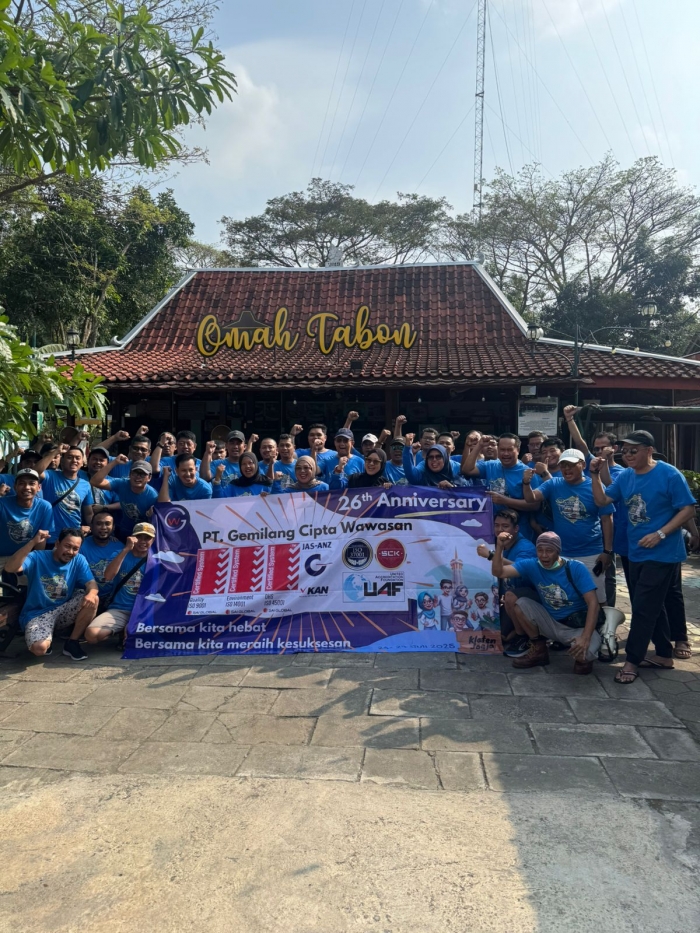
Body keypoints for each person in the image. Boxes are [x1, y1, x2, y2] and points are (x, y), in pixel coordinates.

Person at [590, 430, 696, 683]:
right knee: (649, 604)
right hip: (636, 552)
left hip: (663, 553)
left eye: (633, 450)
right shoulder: (626, 476)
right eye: (625, 451)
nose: (628, 455)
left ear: (649, 450)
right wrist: (594, 475)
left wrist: (661, 533)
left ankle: (632, 662)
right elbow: (603, 500)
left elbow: (688, 509)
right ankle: (663, 654)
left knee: (644, 608)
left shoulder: (669, 474)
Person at [492, 531, 603, 674]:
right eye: (540, 550)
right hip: (550, 621)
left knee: (584, 657)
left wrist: (585, 638)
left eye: (549, 551)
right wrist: (499, 547)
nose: (544, 555)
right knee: (522, 604)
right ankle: (539, 650)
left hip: (576, 626)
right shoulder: (533, 564)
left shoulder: (576, 568)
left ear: (558, 551)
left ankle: (585, 651)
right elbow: (499, 572)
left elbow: (593, 603)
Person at [522, 448, 614, 604]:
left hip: (591, 552)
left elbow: (607, 519)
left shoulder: (595, 486)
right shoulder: (553, 484)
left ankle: (601, 621)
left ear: (583, 465)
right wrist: (526, 483)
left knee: (597, 599)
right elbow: (531, 498)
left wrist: (607, 551)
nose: (566, 469)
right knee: (569, 598)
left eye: (571, 465)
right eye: (563, 465)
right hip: (562, 553)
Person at [5, 527, 98, 660]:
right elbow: (10, 568)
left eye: (75, 548)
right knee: (39, 649)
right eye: (67, 546)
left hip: (64, 609)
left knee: (93, 599)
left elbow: (91, 584)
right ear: (57, 543)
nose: (70, 552)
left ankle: (72, 642)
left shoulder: (79, 560)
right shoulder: (37, 557)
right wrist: (32, 542)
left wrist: (91, 594)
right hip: (38, 613)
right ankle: (46, 638)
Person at [477, 508, 537, 657]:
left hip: (528, 597)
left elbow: (520, 569)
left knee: (511, 597)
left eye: (505, 526)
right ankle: (514, 632)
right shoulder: (498, 543)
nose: (500, 530)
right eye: (497, 525)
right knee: (498, 636)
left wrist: (491, 555)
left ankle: (524, 638)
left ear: (516, 528)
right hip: (507, 599)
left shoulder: (526, 547)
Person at [86, 522, 156, 646]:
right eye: (139, 537)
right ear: (132, 537)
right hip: (120, 608)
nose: (142, 541)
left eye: (147, 538)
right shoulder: (119, 554)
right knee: (91, 635)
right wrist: (126, 549)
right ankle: (120, 630)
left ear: (153, 540)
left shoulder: (157, 560)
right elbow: (108, 576)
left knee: (138, 636)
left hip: (144, 610)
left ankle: (129, 630)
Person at [461, 433, 537, 538]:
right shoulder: (490, 465)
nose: (505, 453)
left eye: (509, 450)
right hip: (492, 531)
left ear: (518, 450)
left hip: (519, 533)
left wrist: (505, 501)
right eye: (502, 449)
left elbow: (534, 505)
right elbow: (467, 470)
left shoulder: (528, 472)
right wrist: (479, 446)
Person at [89, 455, 158, 538]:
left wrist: (150, 516)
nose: (138, 477)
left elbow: (156, 522)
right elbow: (94, 482)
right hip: (124, 530)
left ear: (149, 477)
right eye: (135, 473)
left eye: (142, 474)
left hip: (142, 534)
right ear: (130, 474)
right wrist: (114, 462)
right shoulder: (122, 483)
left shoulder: (152, 496)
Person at [0, 469, 54, 573]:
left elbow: (42, 538)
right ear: (15, 487)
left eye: (32, 483)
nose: (27, 487)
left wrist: (37, 563)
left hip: (25, 557)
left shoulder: (45, 507)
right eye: (22, 483)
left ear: (39, 487)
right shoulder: (2, 504)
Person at [41, 446, 94, 542]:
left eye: (78, 458)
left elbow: (89, 513)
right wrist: (56, 452)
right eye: (70, 457)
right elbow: (36, 471)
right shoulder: (50, 476)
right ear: (62, 461)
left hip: (73, 537)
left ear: (82, 462)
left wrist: (92, 529)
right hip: (49, 536)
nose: (74, 461)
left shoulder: (86, 485)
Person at [80, 511, 123, 606]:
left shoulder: (121, 548)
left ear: (113, 527)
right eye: (99, 524)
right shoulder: (80, 545)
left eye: (107, 524)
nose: (103, 527)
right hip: (86, 596)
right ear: (91, 526)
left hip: (112, 598)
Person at [81, 446, 119, 512]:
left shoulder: (113, 482)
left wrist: (104, 507)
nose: (98, 462)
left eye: (101, 460)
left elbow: (120, 503)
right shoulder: (78, 475)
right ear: (88, 460)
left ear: (107, 463)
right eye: (94, 459)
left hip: (105, 516)